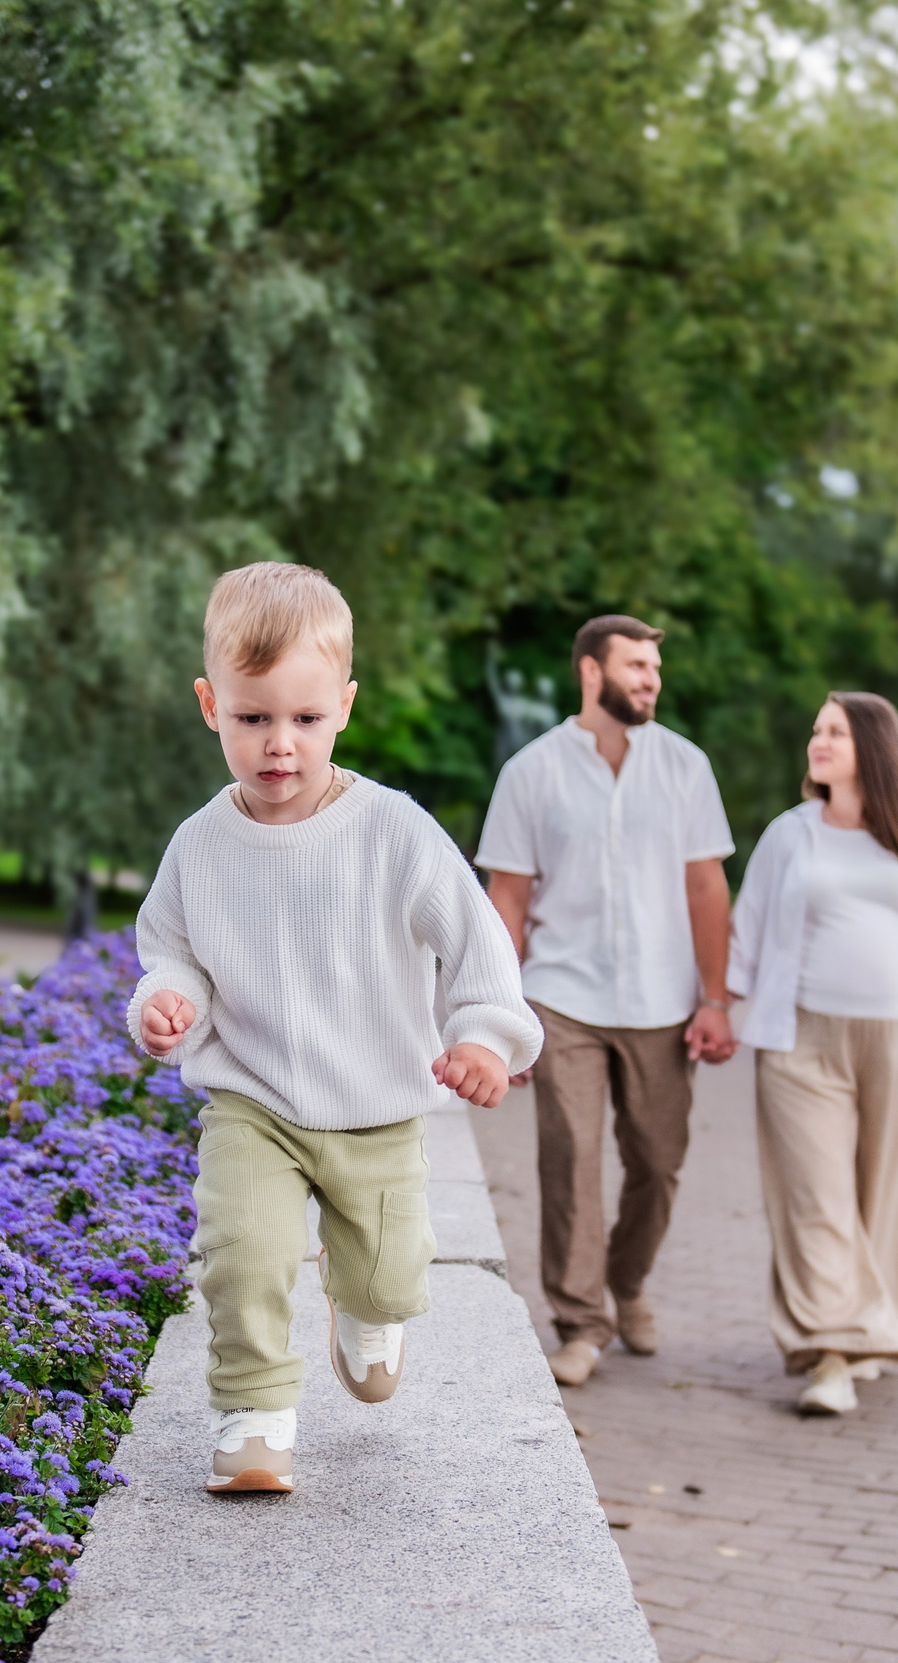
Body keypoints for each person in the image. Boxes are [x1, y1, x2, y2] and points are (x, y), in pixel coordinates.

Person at [130, 561, 542, 1494]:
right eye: (254, 717)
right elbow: (170, 947)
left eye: (305, 719)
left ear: (345, 707)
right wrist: (167, 997)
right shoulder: (199, 844)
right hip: (254, 1098)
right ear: (210, 705)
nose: (281, 744)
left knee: (391, 1276)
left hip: (376, 1104)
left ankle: (364, 1305)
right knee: (242, 1252)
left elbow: (478, 943)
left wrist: (482, 1036)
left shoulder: (395, 832)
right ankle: (254, 1414)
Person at [476, 615, 737, 1390]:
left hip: (664, 998)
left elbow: (705, 886)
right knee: (572, 1160)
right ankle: (581, 1320)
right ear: (591, 671)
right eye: (636, 665)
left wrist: (715, 998)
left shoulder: (687, 767)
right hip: (562, 997)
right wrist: (500, 1014)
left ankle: (627, 1282)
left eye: (656, 666)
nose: (651, 679)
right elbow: (508, 901)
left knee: (659, 1162)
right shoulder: (531, 771)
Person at [725, 691, 898, 1416]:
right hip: (801, 1037)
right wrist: (719, 1009)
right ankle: (831, 1352)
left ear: (873, 745)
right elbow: (746, 930)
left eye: (834, 730)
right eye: (815, 729)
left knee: (884, 1192)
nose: (819, 740)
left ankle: (872, 1333)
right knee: (816, 1193)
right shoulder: (791, 834)